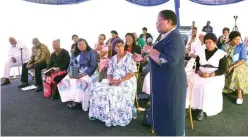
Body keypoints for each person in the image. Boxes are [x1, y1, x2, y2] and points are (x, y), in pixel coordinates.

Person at [142, 10, 186, 136]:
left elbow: (170, 60)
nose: (156, 24)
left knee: (172, 116)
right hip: (163, 83)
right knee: (164, 114)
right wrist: (145, 58)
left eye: (158, 20)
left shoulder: (175, 38)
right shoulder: (165, 37)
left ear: (169, 21)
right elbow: (158, 57)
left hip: (171, 84)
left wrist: (150, 50)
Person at [89, 38, 137, 127]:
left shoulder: (130, 56)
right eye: (117, 46)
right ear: (114, 48)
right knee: (96, 88)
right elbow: (109, 73)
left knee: (112, 91)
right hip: (114, 79)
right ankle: (100, 114)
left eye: (121, 45)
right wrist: (111, 80)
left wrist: (121, 80)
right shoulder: (113, 59)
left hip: (127, 80)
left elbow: (132, 73)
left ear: (124, 45)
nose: (119, 47)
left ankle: (113, 116)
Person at [185, 33, 227, 121]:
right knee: (191, 84)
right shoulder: (200, 52)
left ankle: (203, 110)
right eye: (206, 43)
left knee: (206, 86)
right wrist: (199, 72)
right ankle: (189, 106)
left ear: (215, 42)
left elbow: (222, 69)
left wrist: (210, 75)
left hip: (215, 75)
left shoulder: (221, 54)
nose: (207, 45)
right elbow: (196, 66)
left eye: (210, 42)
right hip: (200, 73)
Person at [57, 38, 98, 111]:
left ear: (86, 44)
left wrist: (82, 75)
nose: (81, 46)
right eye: (79, 44)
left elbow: (93, 66)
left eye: (83, 44)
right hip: (75, 72)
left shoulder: (92, 52)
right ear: (77, 46)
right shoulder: (74, 53)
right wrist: (70, 73)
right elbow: (71, 64)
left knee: (79, 83)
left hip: (87, 73)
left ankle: (77, 101)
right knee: (65, 81)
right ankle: (71, 98)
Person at [222, 31, 248, 104]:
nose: (238, 41)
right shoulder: (224, 46)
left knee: (237, 70)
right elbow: (221, 58)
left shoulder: (242, 46)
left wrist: (232, 67)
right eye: (236, 39)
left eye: (239, 39)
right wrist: (226, 67)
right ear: (231, 39)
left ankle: (239, 94)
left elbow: (243, 59)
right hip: (227, 65)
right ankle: (235, 90)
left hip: (239, 64)